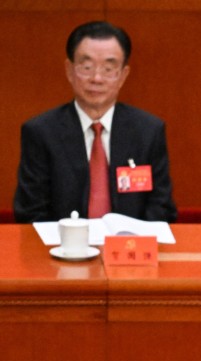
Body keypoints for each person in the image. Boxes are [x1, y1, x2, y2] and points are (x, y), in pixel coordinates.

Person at [14, 21, 176, 223]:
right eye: (87, 67)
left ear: (123, 75)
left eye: (108, 68)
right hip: (62, 249)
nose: (97, 78)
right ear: (69, 70)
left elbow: (160, 206)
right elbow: (31, 211)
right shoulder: (41, 132)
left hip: (130, 247)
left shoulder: (148, 131)